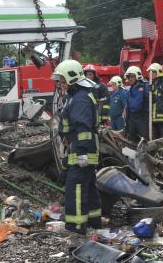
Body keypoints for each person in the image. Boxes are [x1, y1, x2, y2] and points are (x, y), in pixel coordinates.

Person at [52, 60, 101, 235]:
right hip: (80, 149)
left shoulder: (79, 99)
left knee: (77, 188)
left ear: (72, 79)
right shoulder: (76, 96)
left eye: (63, 81)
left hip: (82, 151)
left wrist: (80, 154)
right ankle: (94, 222)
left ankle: (76, 227)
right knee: (88, 185)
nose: (61, 84)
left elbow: (83, 130)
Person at [124, 66, 149, 142]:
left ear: (137, 76)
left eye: (132, 76)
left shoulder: (145, 86)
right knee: (132, 140)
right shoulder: (129, 90)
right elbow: (128, 106)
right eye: (128, 77)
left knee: (144, 140)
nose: (130, 78)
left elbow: (150, 101)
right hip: (131, 118)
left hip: (142, 117)